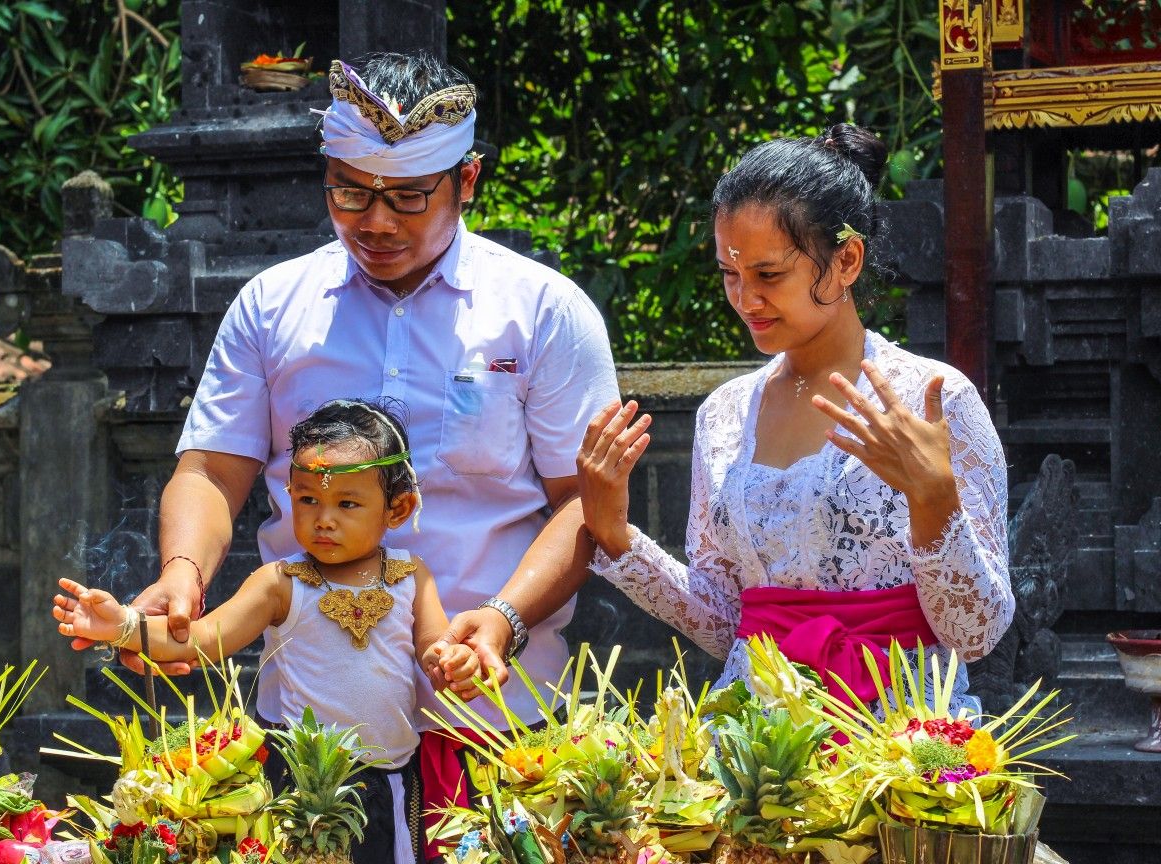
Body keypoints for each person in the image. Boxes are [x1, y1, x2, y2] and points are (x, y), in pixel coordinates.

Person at [69, 51, 619, 861]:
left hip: (496, 716)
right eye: (350, 192)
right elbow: (213, 470)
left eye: (406, 197)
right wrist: (183, 573)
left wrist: (504, 619)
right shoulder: (275, 306)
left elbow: (582, 501)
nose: (377, 222)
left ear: (466, 182)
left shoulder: (540, 311)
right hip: (313, 730)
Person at [577, 124, 1014, 715]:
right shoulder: (725, 415)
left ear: (845, 261)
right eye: (730, 274)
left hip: (900, 745)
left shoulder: (932, 399)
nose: (744, 299)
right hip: (758, 747)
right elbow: (728, 622)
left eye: (768, 275)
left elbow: (976, 636)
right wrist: (617, 537)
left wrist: (933, 500)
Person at [54, 399, 480, 864]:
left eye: (347, 503)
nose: (324, 519)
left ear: (398, 509)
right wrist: (123, 626)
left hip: (395, 780)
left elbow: (433, 650)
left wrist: (454, 661)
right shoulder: (280, 583)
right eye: (308, 499)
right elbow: (200, 639)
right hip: (299, 793)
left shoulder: (410, 576)